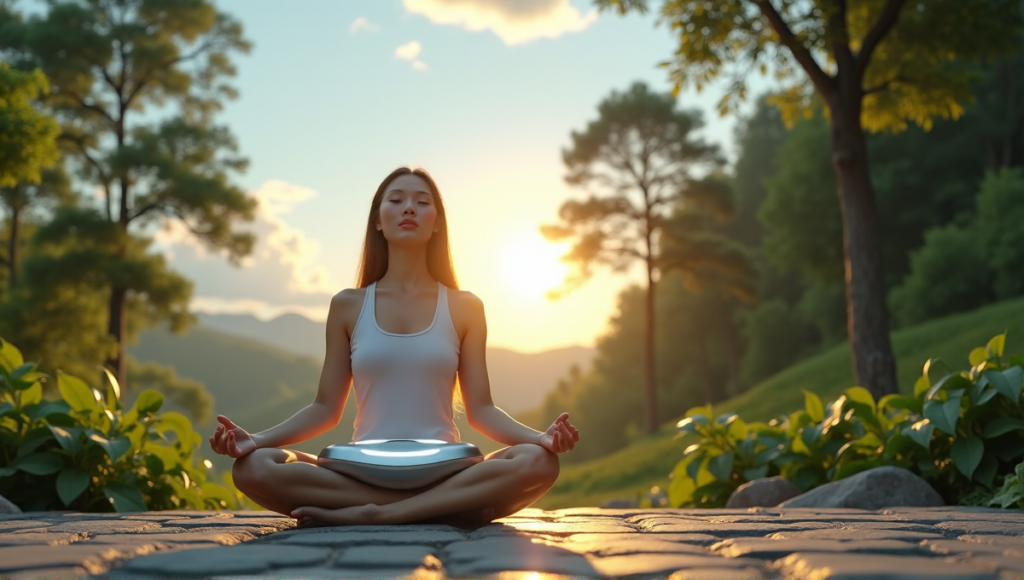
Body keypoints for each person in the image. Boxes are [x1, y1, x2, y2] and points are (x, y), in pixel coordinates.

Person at [208, 167, 580, 527]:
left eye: (422, 202)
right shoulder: (347, 305)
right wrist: (254, 440)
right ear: (378, 220)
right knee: (255, 467)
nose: (409, 208)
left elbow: (481, 411)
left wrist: (541, 439)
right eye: (396, 199)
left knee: (539, 461)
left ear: (437, 223)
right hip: (360, 473)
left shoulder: (466, 307)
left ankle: (380, 514)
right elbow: (325, 409)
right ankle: (441, 510)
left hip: (446, 470)